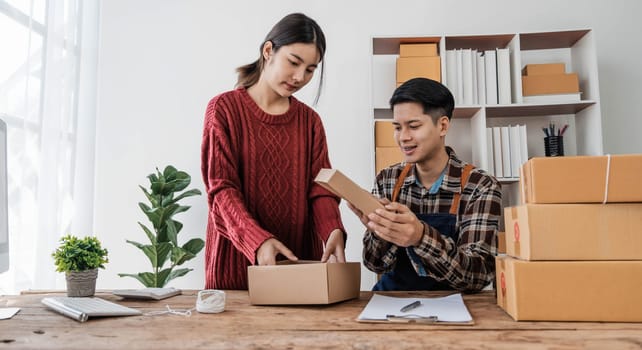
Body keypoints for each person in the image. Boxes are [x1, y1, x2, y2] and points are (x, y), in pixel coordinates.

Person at [201, 13, 346, 290]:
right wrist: (258, 240)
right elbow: (221, 190)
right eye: (293, 62)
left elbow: (321, 188)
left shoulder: (310, 122)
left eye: (310, 69)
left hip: (298, 270)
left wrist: (332, 229)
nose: (299, 77)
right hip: (235, 272)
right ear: (268, 51)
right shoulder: (224, 110)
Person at [348, 77, 502, 292]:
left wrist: (420, 236)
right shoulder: (387, 179)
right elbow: (375, 264)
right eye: (397, 127)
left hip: (454, 306)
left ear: (442, 126)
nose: (403, 137)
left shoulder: (480, 185)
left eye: (413, 126)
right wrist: (377, 231)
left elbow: (478, 275)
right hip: (393, 302)